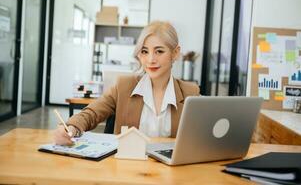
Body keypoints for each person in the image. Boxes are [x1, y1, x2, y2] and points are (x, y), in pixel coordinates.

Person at [54, 21, 200, 145]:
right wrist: (71, 127)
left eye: (159, 51)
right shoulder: (124, 86)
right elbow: (91, 113)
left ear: (175, 53)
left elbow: (203, 136)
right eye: (144, 51)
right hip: (127, 168)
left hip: (170, 172)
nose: (150, 60)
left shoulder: (190, 93)